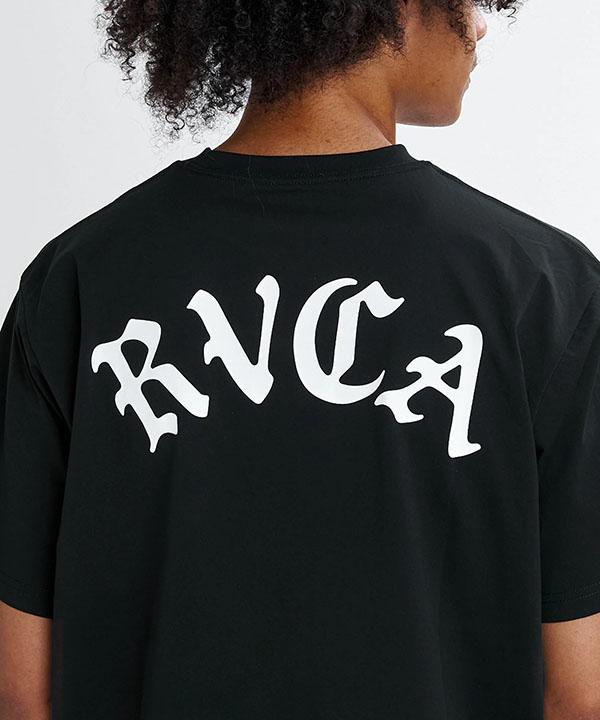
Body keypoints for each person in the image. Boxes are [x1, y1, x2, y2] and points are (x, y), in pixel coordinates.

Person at [1, 0, 599, 718]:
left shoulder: (78, 278)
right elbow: (581, 693)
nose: (479, 24)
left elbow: (22, 693)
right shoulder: (543, 287)